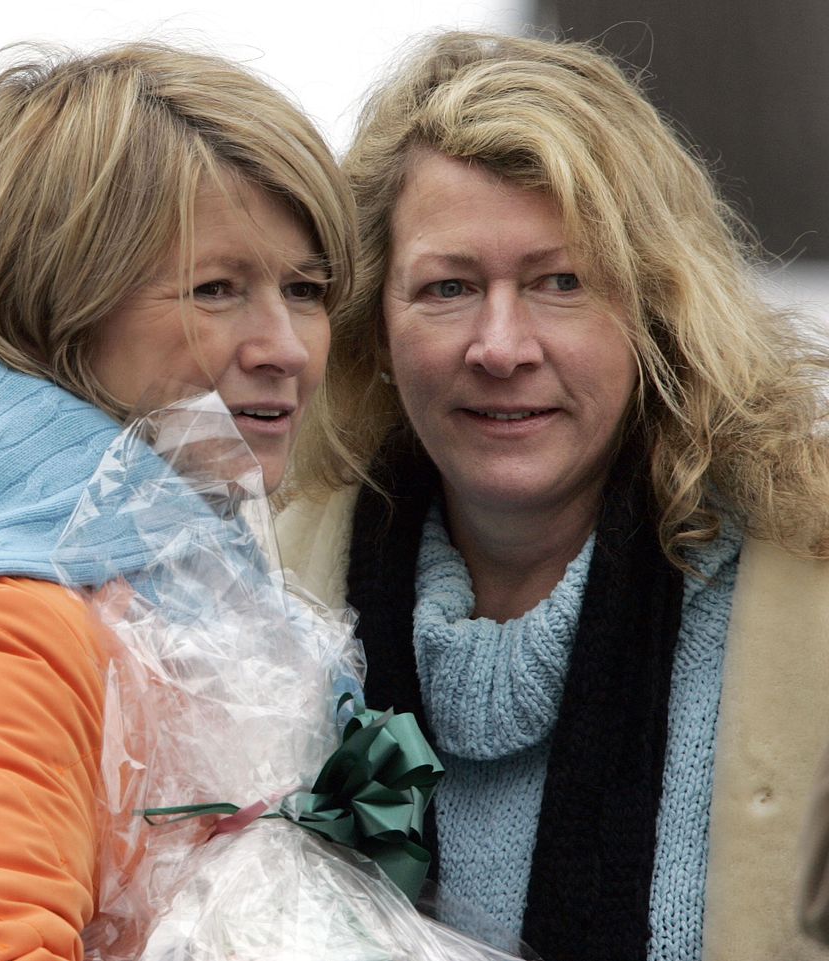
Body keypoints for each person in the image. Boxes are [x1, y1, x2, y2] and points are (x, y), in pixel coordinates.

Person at [276, 30, 829, 961]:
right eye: (448, 287)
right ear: (373, 319)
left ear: (658, 304)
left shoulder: (803, 592)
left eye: (560, 282)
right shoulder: (267, 599)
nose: (500, 346)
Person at [0, 41, 355, 960]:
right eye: (217, 289)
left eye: (305, 290)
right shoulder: (2, 630)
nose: (286, 345)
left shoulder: (157, 601)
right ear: (63, 312)